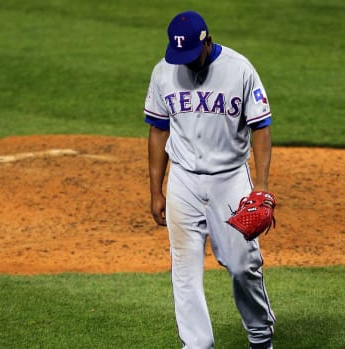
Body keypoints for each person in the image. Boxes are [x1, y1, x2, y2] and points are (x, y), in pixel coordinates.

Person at [144, 10, 277, 349]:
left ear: (207, 41)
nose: (185, 64)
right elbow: (158, 130)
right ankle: (197, 345)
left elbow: (261, 126)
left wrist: (260, 183)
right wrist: (156, 190)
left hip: (230, 181)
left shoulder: (239, 69)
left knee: (242, 266)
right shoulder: (164, 72)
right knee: (184, 268)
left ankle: (261, 338)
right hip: (183, 182)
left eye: (191, 55)